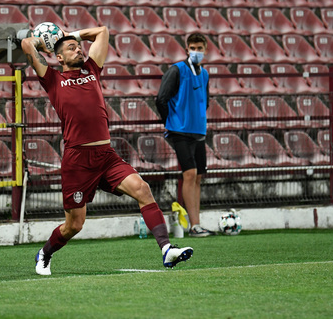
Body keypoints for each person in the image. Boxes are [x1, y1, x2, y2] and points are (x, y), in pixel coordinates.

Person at [21, 26, 193, 275]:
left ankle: (167, 250)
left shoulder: (92, 70)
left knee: (142, 189)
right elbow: (27, 44)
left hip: (105, 155)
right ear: (58, 58)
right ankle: (45, 253)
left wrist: (74, 36)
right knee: (75, 225)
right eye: (71, 48)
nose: (78, 49)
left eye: (79, 47)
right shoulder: (52, 79)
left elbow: (102, 31)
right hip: (77, 161)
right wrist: (51, 41)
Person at [155, 33, 214, 238]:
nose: (196, 51)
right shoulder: (177, 70)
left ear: (206, 50)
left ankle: (197, 224)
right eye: (192, 47)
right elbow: (161, 99)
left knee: (198, 176)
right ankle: (193, 226)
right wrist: (171, 122)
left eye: (199, 48)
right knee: (189, 174)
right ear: (187, 49)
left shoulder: (205, 74)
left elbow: (205, 101)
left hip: (198, 130)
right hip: (179, 130)